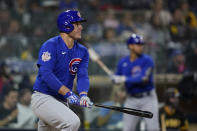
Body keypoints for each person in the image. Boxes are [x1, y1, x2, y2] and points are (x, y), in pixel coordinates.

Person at [30, 9, 93, 131]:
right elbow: (46, 74)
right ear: (67, 25)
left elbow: (83, 76)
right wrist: (68, 93)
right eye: (77, 24)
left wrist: (83, 95)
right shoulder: (50, 45)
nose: (81, 27)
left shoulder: (83, 51)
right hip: (43, 98)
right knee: (72, 122)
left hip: (62, 101)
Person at [111, 34, 160, 131]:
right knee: (127, 129)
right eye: (138, 44)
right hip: (131, 99)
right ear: (130, 46)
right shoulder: (123, 62)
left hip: (148, 98)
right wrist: (114, 78)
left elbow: (143, 78)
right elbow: (117, 79)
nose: (141, 46)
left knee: (153, 128)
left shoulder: (147, 60)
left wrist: (123, 79)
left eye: (142, 44)